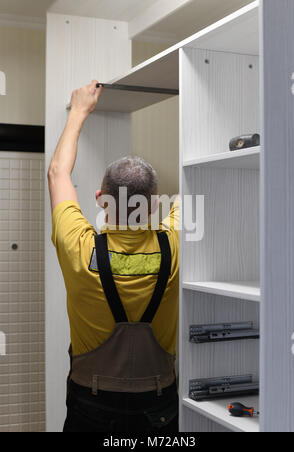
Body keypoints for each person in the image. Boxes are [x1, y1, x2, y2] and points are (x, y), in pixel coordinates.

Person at [48, 80, 179, 433]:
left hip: (91, 405)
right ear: (154, 206)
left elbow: (58, 173)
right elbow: (201, 178)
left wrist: (79, 111)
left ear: (99, 199)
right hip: (159, 406)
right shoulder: (175, 241)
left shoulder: (78, 244)